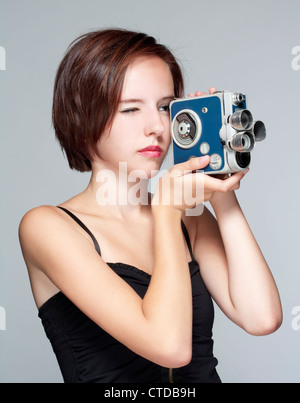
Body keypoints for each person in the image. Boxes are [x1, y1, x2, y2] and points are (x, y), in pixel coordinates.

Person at [18, 28, 282, 383]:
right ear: (82, 121)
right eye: (130, 109)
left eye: (165, 107)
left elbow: (262, 318)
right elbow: (169, 346)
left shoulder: (190, 216)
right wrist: (167, 212)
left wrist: (223, 190)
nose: (157, 127)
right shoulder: (47, 227)